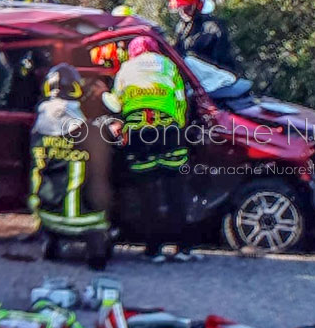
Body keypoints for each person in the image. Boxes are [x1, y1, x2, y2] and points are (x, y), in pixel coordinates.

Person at [105, 35, 195, 263]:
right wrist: (178, 127)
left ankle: (154, 250)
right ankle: (183, 248)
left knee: (149, 193)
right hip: (169, 131)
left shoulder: (126, 69)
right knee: (175, 190)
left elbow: (116, 103)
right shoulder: (169, 66)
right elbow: (181, 100)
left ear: (134, 52)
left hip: (139, 132)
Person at [30, 63, 114, 269]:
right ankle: (96, 250)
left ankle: (52, 243)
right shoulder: (89, 132)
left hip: (47, 213)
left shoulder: (38, 131)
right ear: (76, 90)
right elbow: (104, 159)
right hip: (86, 218)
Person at [169, 0, 237, 70]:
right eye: (179, 9)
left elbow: (220, 62)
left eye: (187, 8)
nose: (183, 13)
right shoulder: (181, 27)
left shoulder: (213, 28)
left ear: (196, 4)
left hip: (214, 80)